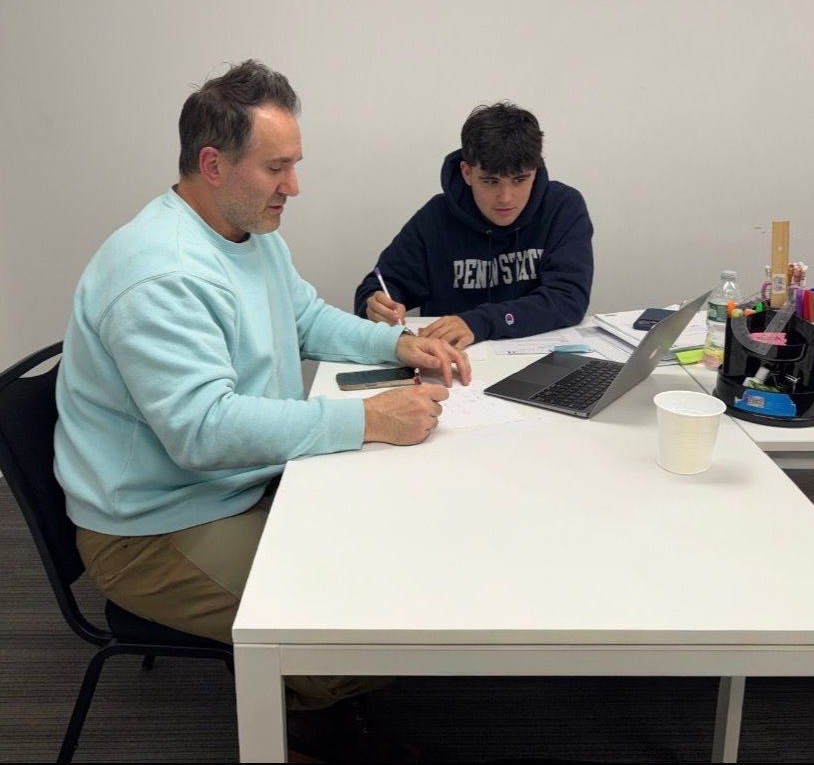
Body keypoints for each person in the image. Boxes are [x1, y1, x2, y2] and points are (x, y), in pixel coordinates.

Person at [53, 60, 469, 763]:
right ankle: (300, 719)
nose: (293, 187)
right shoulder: (160, 273)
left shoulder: (250, 231)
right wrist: (371, 419)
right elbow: (203, 431)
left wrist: (399, 344)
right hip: (158, 527)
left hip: (240, 484)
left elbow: (304, 317)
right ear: (213, 165)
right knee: (366, 635)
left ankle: (309, 698)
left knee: (402, 554)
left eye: (294, 165)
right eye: (277, 168)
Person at [354, 102, 594, 348]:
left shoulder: (562, 208)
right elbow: (378, 286)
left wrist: (480, 322)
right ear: (467, 172)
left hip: (540, 356)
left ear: (536, 170)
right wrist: (376, 304)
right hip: (453, 360)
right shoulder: (436, 218)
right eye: (490, 181)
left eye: (519, 180)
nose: (505, 198)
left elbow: (568, 298)